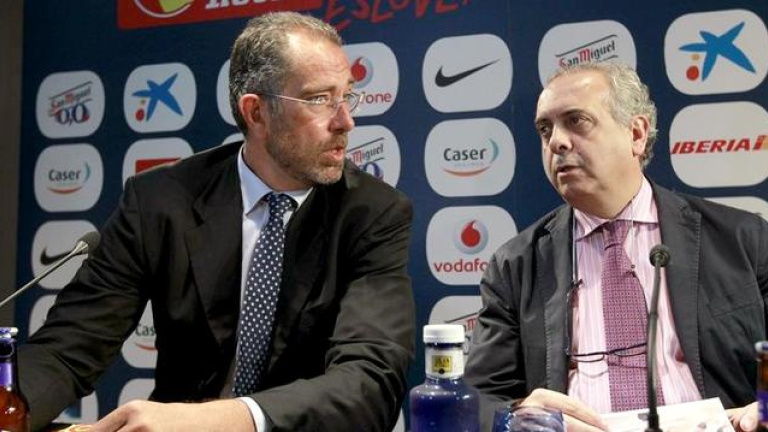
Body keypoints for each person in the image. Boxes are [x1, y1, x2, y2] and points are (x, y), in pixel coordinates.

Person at [19, 12, 415, 432]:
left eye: (347, 96)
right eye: (319, 99)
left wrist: (218, 420)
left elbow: (370, 381)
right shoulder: (160, 200)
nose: (346, 121)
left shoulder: (372, 213)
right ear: (256, 112)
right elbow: (66, 350)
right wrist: (10, 403)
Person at [464, 61, 768, 432]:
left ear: (636, 134)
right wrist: (517, 416)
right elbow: (480, 398)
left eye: (576, 121)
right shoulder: (515, 265)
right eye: (545, 129)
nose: (556, 142)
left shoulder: (742, 239)